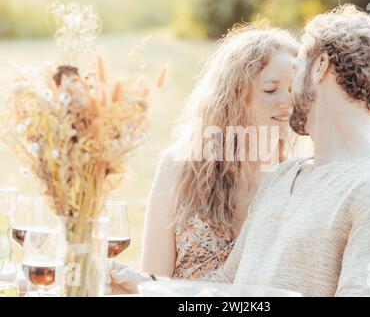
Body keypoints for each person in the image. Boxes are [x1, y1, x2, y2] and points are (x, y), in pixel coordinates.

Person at [108, 4, 370, 297]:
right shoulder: (284, 176)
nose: (287, 98)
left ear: (320, 67)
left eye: (297, 68)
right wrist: (146, 287)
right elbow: (226, 288)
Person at [107, 23, 300, 293]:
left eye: (294, 90)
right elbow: (154, 282)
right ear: (233, 97)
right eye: (270, 90)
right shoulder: (179, 165)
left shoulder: (301, 176)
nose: (287, 102)